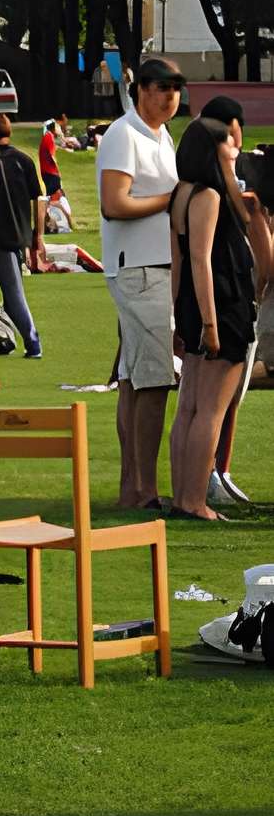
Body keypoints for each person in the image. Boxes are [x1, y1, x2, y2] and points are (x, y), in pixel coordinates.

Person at [168, 114, 269, 520]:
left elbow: (178, 261)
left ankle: (182, 497)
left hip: (195, 306)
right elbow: (200, 259)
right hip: (220, 306)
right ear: (212, 150)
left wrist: (182, 315)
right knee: (209, 408)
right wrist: (210, 324)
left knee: (190, 407)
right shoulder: (208, 195)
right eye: (229, 144)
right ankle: (194, 500)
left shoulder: (181, 193)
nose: (236, 150)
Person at [96, 56, 183, 511]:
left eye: (176, 87)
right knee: (153, 382)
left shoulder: (162, 137)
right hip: (139, 267)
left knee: (134, 381)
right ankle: (145, 491)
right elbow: (114, 204)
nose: (170, 95)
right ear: (141, 90)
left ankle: (132, 488)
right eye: (161, 86)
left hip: (155, 266)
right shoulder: (123, 134)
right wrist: (172, 200)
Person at [0, 112, 46, 357]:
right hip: (21, 234)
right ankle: (4, 337)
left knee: (10, 291)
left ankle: (32, 340)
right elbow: (38, 198)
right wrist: (38, 235)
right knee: (9, 289)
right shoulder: (23, 160)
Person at [39, 114, 74, 223]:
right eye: (58, 127)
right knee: (54, 199)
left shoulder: (47, 137)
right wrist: (57, 171)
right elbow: (51, 155)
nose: (59, 129)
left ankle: (48, 221)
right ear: (54, 128)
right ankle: (68, 220)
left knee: (53, 198)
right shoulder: (49, 137)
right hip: (51, 173)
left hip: (47, 172)